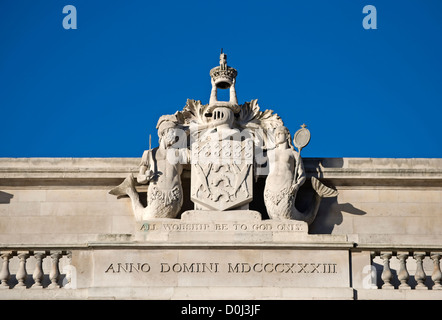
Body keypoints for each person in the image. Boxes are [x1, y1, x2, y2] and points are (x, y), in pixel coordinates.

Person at [109, 120, 188, 220]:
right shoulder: (149, 154)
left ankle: (130, 190)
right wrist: (146, 176)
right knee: (147, 218)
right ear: (164, 133)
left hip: (175, 195)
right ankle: (130, 190)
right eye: (172, 133)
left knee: (150, 219)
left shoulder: (179, 153)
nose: (175, 136)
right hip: (156, 194)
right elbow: (140, 178)